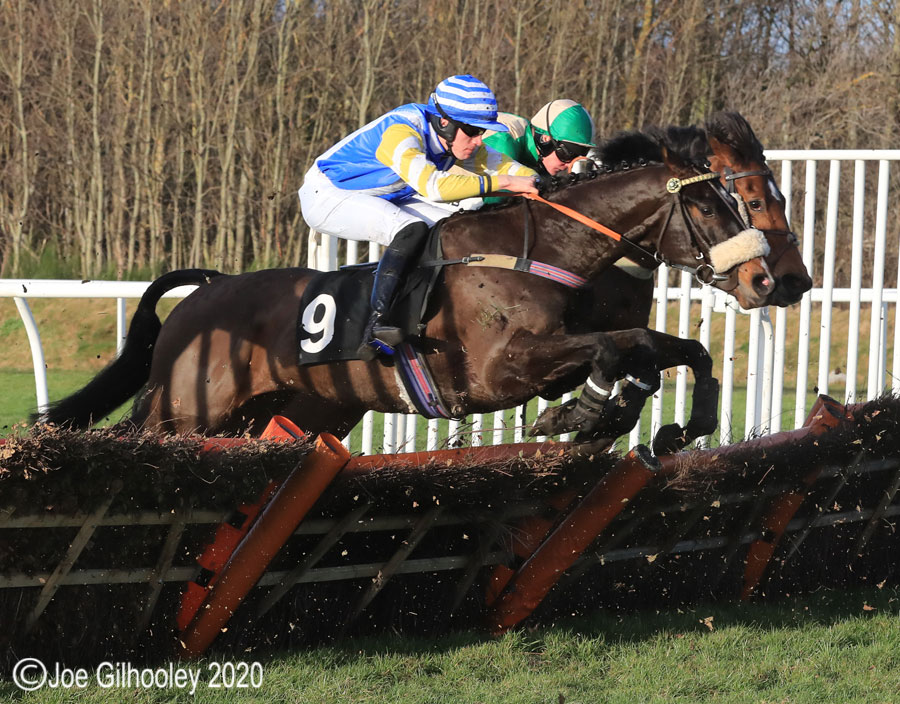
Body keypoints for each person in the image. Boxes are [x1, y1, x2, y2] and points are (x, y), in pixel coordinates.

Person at [298, 74, 538, 358]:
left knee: (457, 228)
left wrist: (544, 182)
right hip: (326, 195)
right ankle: (376, 325)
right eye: (472, 131)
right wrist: (505, 184)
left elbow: (510, 169)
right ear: (444, 122)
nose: (477, 140)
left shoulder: (456, 141)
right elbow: (433, 187)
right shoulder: (402, 130)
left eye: (481, 133)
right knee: (410, 229)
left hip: (382, 196)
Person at [483, 99, 596, 180]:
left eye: (577, 158)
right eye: (567, 155)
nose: (568, 166)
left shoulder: (531, 152)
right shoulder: (503, 140)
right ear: (545, 140)